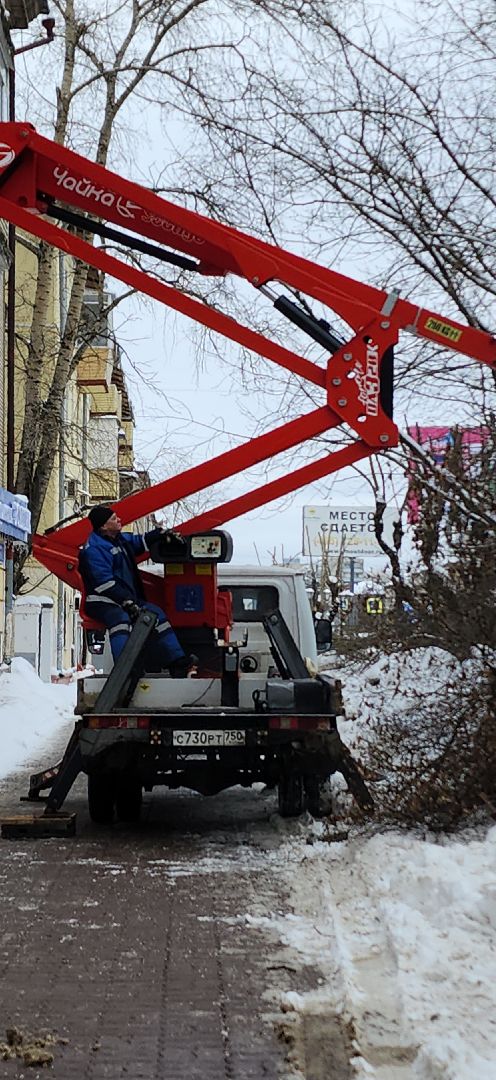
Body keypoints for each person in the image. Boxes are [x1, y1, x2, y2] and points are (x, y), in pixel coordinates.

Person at [79, 505, 191, 676]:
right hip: (101, 602)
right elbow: (103, 583)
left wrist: (161, 533)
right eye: (114, 519)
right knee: (120, 620)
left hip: (123, 599)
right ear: (103, 526)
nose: (119, 520)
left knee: (156, 614)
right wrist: (126, 601)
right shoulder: (94, 549)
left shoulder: (119, 540)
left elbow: (140, 541)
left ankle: (176, 661)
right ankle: (126, 669)